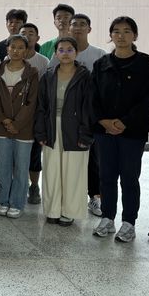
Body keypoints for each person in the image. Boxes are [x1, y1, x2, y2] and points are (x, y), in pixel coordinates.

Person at [91, 17, 149, 243]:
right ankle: (107, 217)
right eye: (116, 31)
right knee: (106, 176)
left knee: (129, 177)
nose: (121, 35)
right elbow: (93, 97)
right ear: (111, 35)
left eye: (127, 31)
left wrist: (123, 122)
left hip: (132, 131)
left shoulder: (146, 64)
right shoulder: (101, 64)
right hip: (104, 131)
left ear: (135, 36)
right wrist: (104, 121)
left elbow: (147, 99)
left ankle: (129, 222)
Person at [49, 14, 108, 216]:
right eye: (74, 24)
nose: (78, 27)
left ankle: (94, 198)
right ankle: (58, 204)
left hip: (87, 119)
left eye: (83, 24)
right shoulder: (55, 61)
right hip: (59, 123)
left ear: (89, 29)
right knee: (61, 166)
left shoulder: (98, 55)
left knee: (91, 163)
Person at [34, 36, 93, 226]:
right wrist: (41, 132)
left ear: (76, 52)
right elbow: (41, 106)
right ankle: (52, 210)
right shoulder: (48, 75)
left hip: (75, 129)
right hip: (52, 128)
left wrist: (86, 134)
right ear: (55, 53)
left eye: (69, 50)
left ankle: (69, 211)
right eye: (61, 50)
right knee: (51, 170)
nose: (65, 53)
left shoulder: (85, 76)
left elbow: (89, 107)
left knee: (73, 171)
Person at [0, 34, 39, 219]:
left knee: (21, 167)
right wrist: (4, 120)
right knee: (3, 167)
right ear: (7, 49)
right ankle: (3, 201)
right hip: (1, 127)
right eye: (13, 47)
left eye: (20, 47)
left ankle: (17, 203)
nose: (16, 51)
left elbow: (32, 102)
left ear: (26, 50)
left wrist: (17, 123)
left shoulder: (32, 73)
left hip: (24, 129)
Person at [19, 22, 50, 204]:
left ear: (37, 38)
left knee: (34, 153)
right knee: (15, 153)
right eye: (23, 33)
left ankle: (34, 186)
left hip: (35, 114)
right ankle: (18, 185)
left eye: (31, 33)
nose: (27, 36)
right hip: (15, 114)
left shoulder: (43, 61)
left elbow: (46, 90)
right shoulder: (8, 59)